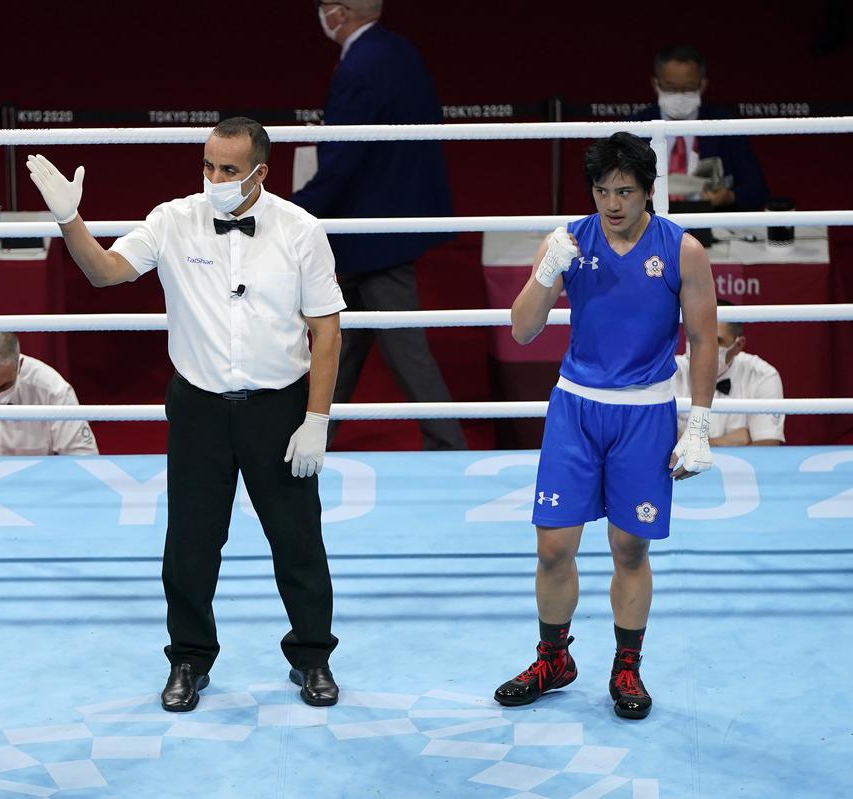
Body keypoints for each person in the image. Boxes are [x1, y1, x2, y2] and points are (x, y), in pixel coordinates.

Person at [26, 117, 345, 712]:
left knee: (298, 540)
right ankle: (189, 660)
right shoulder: (172, 219)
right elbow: (104, 272)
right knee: (190, 545)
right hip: (198, 406)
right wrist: (69, 219)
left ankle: (313, 657)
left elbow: (326, 333)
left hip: (279, 407)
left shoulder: (301, 230)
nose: (215, 179)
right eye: (207, 166)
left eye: (228, 170)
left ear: (260, 173)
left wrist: (317, 419)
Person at [495, 132, 718, 720]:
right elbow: (521, 330)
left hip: (644, 413)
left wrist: (699, 422)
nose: (612, 203)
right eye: (602, 191)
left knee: (629, 546)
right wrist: (547, 272)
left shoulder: (682, 249)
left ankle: (626, 667)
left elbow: (700, 339)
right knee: (552, 547)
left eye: (624, 191)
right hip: (576, 408)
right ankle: (554, 658)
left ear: (649, 192)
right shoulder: (568, 241)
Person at [292, 0, 464, 450]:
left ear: (342, 12)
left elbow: (345, 155)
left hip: (373, 232)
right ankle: (312, 433)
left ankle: (447, 445)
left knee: (404, 348)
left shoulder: (362, 65)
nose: (321, 13)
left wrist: (295, 209)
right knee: (340, 342)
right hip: (381, 227)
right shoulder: (399, 51)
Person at [634, 44, 768, 211]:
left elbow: (757, 190)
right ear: (656, 84)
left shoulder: (725, 126)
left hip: (710, 224)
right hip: (648, 224)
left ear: (702, 85)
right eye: (670, 88)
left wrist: (729, 196)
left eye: (688, 88)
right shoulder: (635, 126)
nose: (679, 95)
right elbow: (605, 186)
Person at [672, 300, 785, 445]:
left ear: (738, 346)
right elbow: (657, 442)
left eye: (716, 341)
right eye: (697, 337)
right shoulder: (668, 373)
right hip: (680, 468)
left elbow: (766, 447)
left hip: (741, 469)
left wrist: (689, 444)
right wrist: (728, 441)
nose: (703, 347)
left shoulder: (762, 375)